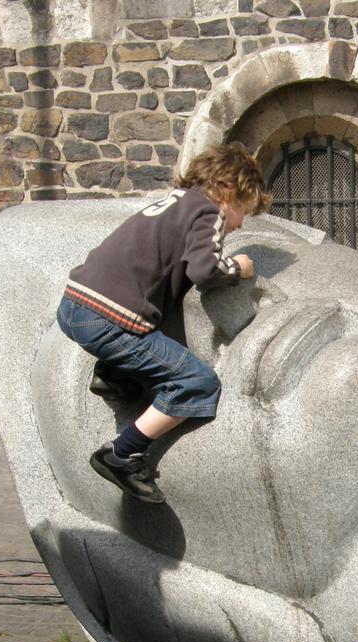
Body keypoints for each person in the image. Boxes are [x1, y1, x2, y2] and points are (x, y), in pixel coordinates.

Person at [56, 142, 271, 504]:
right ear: (232, 191)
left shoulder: (178, 202)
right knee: (197, 382)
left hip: (76, 303)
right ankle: (121, 454)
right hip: (109, 319)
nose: (238, 224)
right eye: (244, 213)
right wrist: (240, 268)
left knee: (158, 334)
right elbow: (205, 270)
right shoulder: (210, 211)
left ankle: (113, 374)